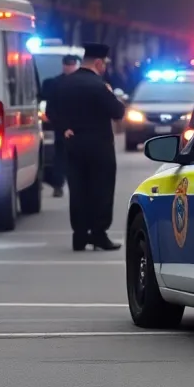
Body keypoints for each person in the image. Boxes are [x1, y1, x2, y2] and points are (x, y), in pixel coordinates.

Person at [47, 42, 125, 250]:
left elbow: (51, 111)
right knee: (102, 189)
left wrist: (64, 129)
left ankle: (79, 236)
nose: (105, 67)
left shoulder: (64, 84)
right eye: (105, 64)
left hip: (74, 145)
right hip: (100, 146)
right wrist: (111, 92)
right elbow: (118, 112)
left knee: (78, 189)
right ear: (98, 63)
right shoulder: (99, 86)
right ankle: (99, 234)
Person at [41, 54, 79, 198]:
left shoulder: (84, 83)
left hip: (81, 128)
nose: (69, 68)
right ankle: (58, 186)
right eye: (67, 65)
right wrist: (62, 127)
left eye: (72, 65)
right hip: (62, 127)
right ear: (63, 66)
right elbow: (50, 109)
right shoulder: (55, 84)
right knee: (61, 158)